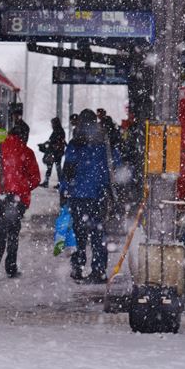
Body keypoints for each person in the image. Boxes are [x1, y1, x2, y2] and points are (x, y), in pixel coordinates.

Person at [0, 119, 42, 279]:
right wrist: (22, 187)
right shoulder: (26, 152)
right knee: (13, 232)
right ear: (24, 136)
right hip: (16, 200)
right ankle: (11, 266)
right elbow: (35, 179)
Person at [62, 109, 111, 283]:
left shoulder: (75, 143)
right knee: (98, 234)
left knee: (78, 234)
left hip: (78, 196)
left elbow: (67, 170)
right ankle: (98, 270)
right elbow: (110, 169)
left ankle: (78, 267)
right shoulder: (103, 144)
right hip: (97, 195)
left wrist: (64, 191)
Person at [38, 117, 67, 188]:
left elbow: (54, 141)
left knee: (55, 167)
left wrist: (47, 144)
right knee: (54, 167)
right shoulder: (58, 130)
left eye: (52, 123)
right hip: (56, 152)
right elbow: (52, 141)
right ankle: (57, 183)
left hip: (56, 152)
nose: (52, 125)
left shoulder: (58, 131)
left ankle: (52, 182)